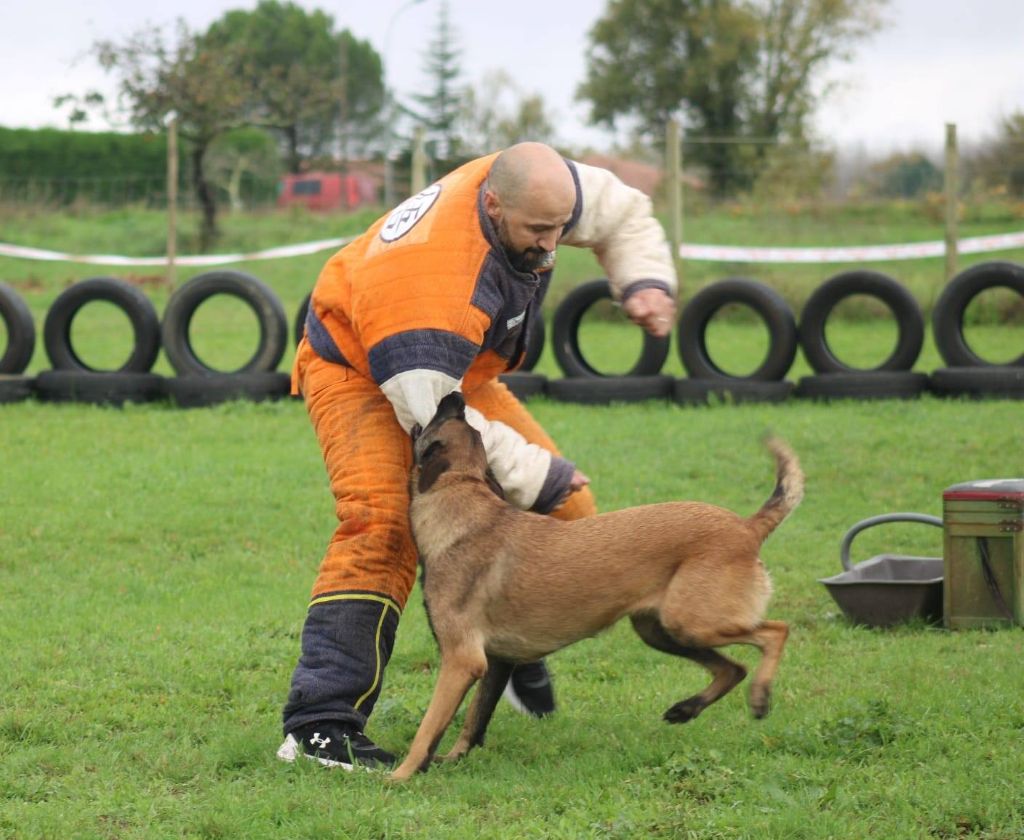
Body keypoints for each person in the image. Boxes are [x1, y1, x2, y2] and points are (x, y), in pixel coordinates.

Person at [276, 142, 678, 770]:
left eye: (559, 229)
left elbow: (625, 213)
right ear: (493, 205)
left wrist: (645, 281)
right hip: (366, 369)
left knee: (574, 507)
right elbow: (440, 421)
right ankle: (318, 726)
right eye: (537, 232)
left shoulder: (539, 188)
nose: (551, 247)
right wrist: (536, 476)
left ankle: (508, 642)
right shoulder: (429, 286)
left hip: (459, 372)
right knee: (381, 526)